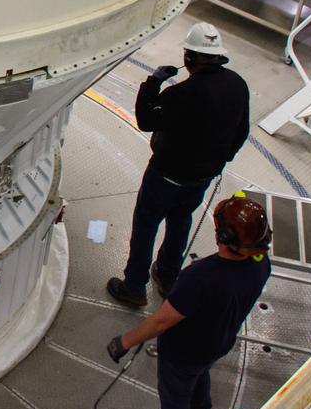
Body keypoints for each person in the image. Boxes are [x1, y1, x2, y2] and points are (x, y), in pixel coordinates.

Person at [106, 193, 272, 409]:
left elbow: (162, 321)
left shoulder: (200, 278)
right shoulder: (261, 265)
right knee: (200, 374)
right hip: (219, 343)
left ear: (223, 237)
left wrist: (125, 342)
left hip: (183, 352)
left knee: (175, 397)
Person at [107, 22, 250, 307]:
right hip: (202, 177)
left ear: (190, 57)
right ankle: (167, 275)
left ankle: (134, 286)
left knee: (147, 224)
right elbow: (242, 130)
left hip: (166, 176)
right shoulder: (237, 85)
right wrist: (221, 159)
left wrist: (152, 83)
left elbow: (146, 120)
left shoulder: (181, 95)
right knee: (181, 221)